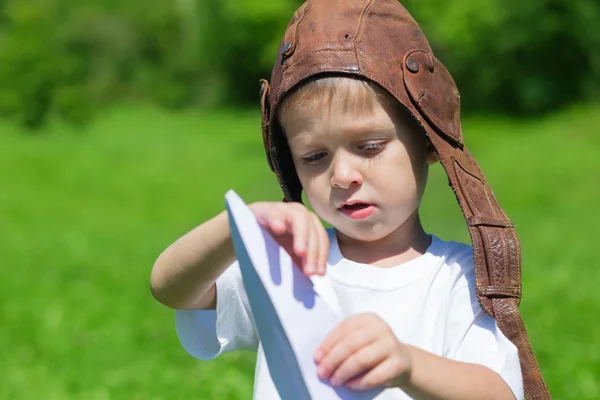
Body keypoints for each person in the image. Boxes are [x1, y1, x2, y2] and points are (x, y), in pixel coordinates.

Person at [150, 1, 528, 399]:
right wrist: (240, 227)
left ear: (429, 141)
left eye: (369, 146)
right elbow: (170, 288)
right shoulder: (287, 266)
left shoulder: (457, 277)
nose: (342, 175)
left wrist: (408, 364)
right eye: (314, 157)